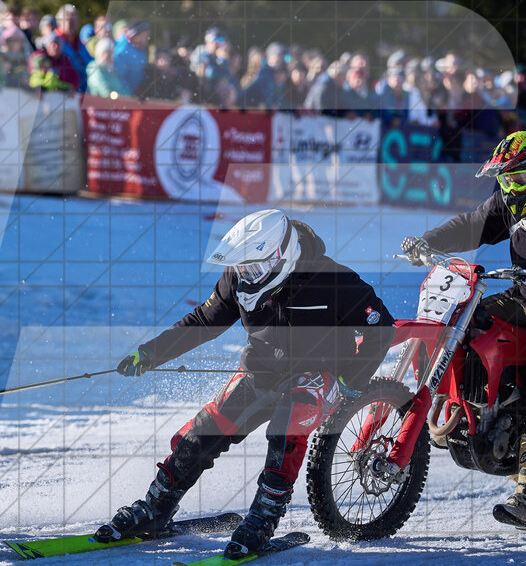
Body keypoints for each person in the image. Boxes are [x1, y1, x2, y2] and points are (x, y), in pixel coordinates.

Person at [95, 209, 394, 559]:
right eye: (242, 268)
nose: (245, 276)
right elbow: (203, 320)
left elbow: (381, 327)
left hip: (321, 373)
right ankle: (156, 507)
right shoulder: (238, 277)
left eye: (252, 268)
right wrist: (150, 353)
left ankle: (263, 518)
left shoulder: (334, 280)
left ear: (279, 255)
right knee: (209, 425)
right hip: (263, 368)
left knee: (286, 425)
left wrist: (351, 379)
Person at [402, 130, 526, 529]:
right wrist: (427, 242)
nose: (511, 186)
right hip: (524, 294)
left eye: (518, 178)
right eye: (505, 179)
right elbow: (473, 224)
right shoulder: (509, 200)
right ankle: (461, 404)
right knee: (469, 321)